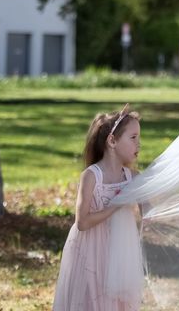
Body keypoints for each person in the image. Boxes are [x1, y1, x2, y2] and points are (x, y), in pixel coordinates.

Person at [53, 104, 144, 311]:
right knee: (91, 299)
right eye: (133, 138)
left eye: (139, 137)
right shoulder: (92, 176)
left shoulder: (134, 178)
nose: (139, 143)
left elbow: (150, 214)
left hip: (121, 252)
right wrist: (115, 206)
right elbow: (82, 222)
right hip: (90, 250)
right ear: (112, 141)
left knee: (117, 303)